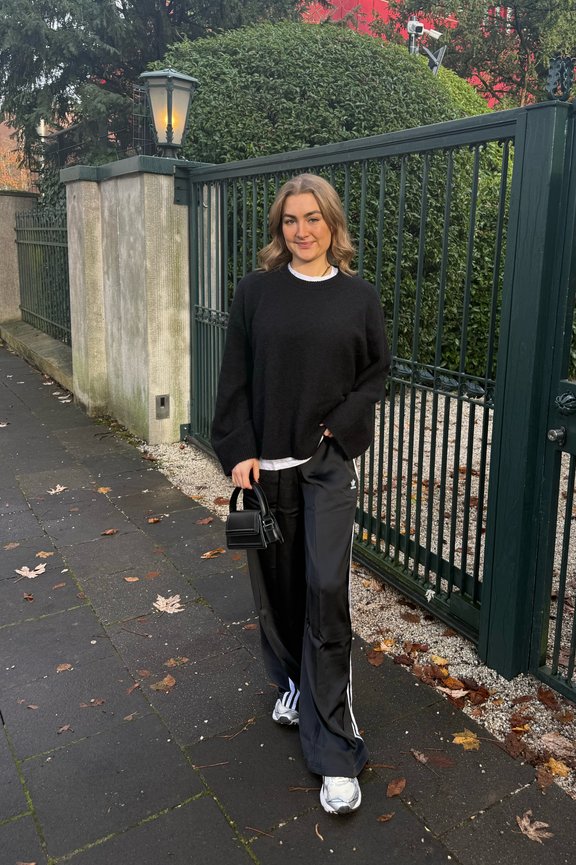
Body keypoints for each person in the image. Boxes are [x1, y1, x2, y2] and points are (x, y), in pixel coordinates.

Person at [211, 173, 390, 815]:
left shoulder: (357, 297)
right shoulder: (257, 293)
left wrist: (339, 429)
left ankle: (336, 747)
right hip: (267, 473)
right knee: (278, 591)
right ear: (278, 228)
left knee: (323, 591)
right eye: (291, 220)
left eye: (313, 218)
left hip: (326, 468)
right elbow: (234, 376)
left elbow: (377, 371)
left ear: (332, 225)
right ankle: (292, 680)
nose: (303, 231)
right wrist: (237, 451)